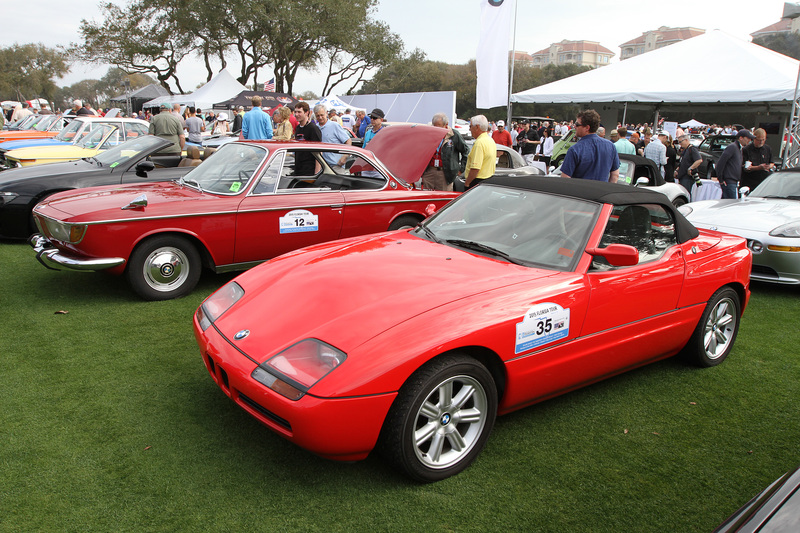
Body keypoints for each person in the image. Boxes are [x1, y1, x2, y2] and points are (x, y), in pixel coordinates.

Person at [560, 109, 619, 182]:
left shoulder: (575, 149)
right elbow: (615, 175)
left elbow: (565, 178)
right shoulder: (611, 146)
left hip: (580, 192)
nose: (574, 127)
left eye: (577, 124)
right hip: (603, 192)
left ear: (587, 128)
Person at [420, 112, 469, 191]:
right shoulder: (430, 134)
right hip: (430, 171)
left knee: (442, 196)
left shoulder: (454, 135)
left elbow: (465, 151)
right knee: (426, 196)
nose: (437, 129)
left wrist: (461, 169)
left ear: (446, 125)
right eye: (435, 127)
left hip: (445, 173)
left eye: (439, 127)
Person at [715, 129, 755, 199]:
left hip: (733, 182)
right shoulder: (732, 147)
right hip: (729, 182)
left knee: (728, 203)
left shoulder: (739, 149)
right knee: (730, 204)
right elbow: (721, 163)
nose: (749, 140)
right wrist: (720, 179)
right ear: (741, 138)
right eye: (748, 138)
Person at [464, 115, 496, 189]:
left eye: (470, 126)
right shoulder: (490, 140)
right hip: (488, 180)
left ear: (477, 127)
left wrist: (467, 183)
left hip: (476, 182)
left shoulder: (479, 143)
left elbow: (475, 168)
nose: (469, 129)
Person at [292, 101, 321, 175]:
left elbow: (319, 151)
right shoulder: (298, 128)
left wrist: (317, 172)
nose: (296, 114)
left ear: (306, 112)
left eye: (299, 112)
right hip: (298, 167)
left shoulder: (313, 128)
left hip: (309, 169)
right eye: (295, 112)